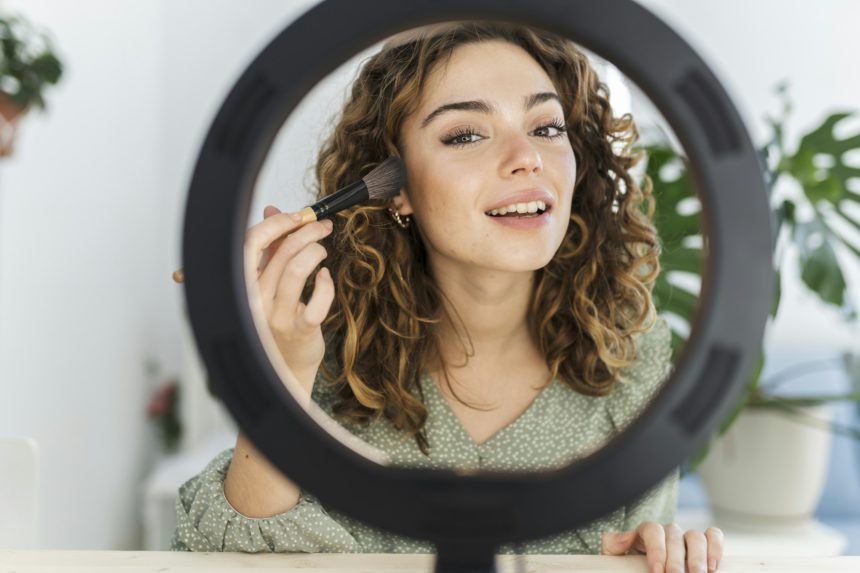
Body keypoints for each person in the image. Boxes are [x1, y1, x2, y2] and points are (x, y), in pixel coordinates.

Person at [171, 20, 724, 573]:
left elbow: (633, 552)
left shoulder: (628, 348)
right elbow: (236, 560)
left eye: (547, 127)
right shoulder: (319, 345)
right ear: (398, 187)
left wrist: (662, 552)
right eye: (465, 134)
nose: (527, 157)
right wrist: (282, 371)